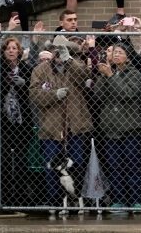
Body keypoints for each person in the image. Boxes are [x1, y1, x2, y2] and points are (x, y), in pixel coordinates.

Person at [28, 34, 93, 205]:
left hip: (76, 125)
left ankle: (77, 201)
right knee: (51, 167)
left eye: (61, 50)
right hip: (51, 127)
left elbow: (85, 76)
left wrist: (69, 60)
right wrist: (53, 95)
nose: (58, 53)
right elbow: (34, 94)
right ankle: (54, 203)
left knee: (77, 166)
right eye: (55, 50)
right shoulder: (40, 70)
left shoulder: (76, 65)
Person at [94, 43, 141, 211]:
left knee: (132, 165)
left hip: (130, 128)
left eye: (120, 52)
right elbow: (98, 95)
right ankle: (119, 200)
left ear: (127, 56)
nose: (116, 55)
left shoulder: (134, 74)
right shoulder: (108, 73)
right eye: (114, 52)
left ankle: (136, 200)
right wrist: (103, 76)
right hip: (110, 128)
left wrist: (110, 76)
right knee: (114, 166)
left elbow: (127, 93)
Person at [0, 36, 34, 205]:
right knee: (4, 160)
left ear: (19, 51)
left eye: (14, 48)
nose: (11, 51)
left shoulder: (26, 69)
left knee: (21, 160)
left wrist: (24, 84)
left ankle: (21, 197)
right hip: (4, 121)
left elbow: (33, 92)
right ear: (3, 52)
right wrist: (6, 83)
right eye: (8, 48)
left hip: (22, 122)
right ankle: (4, 197)